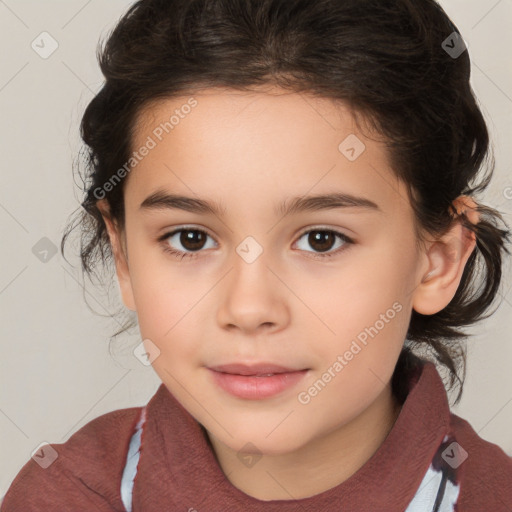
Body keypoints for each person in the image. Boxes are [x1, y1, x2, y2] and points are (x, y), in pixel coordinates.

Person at [2, 0, 511, 510]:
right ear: (125, 255)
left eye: (321, 240)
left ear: (438, 259)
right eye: (190, 239)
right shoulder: (63, 496)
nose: (248, 309)